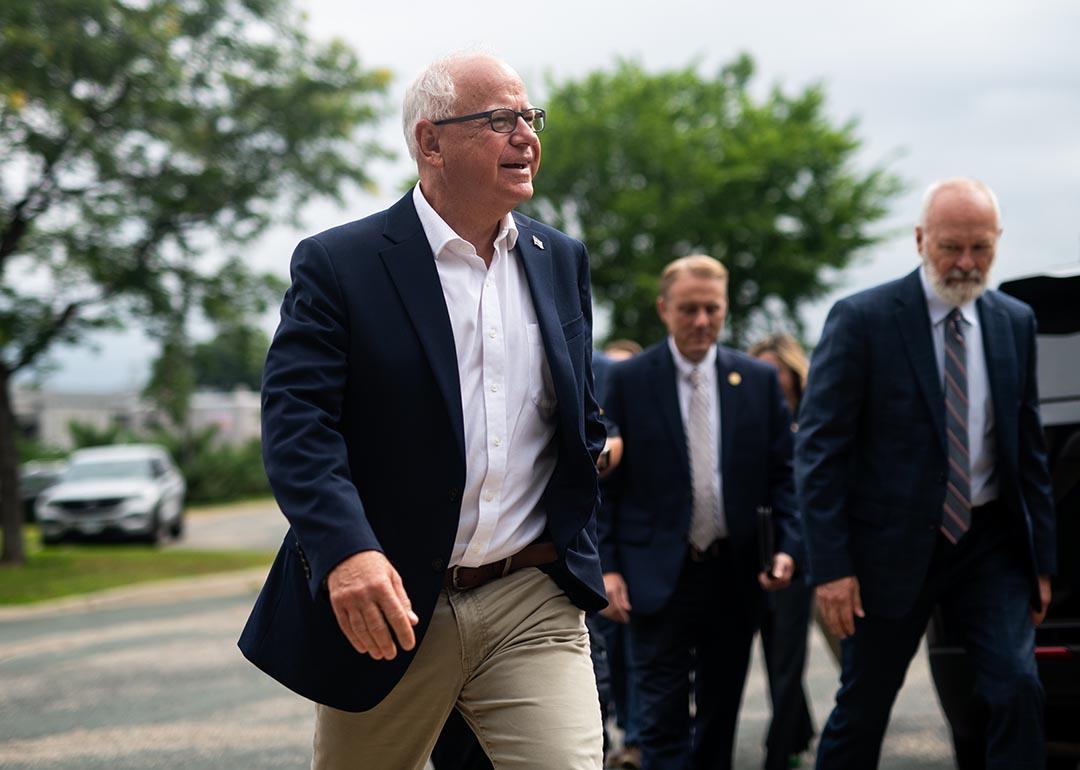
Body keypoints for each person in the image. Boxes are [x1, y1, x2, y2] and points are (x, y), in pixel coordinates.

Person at [238, 52, 609, 770]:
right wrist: (346, 551)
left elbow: (576, 406)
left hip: (530, 597)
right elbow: (298, 424)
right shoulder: (341, 264)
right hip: (395, 605)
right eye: (499, 120)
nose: (526, 136)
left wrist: (597, 449)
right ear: (429, 141)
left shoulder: (559, 258)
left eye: (530, 118)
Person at [795, 177, 1056, 770]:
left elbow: (1028, 449)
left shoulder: (1015, 322)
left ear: (997, 243)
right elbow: (819, 450)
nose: (966, 263)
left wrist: (1041, 563)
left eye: (980, 248)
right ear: (920, 240)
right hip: (887, 549)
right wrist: (832, 568)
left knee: (1018, 688)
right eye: (950, 247)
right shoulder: (862, 319)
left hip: (989, 545)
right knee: (864, 707)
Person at [599, 255, 802, 770]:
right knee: (662, 722)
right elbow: (605, 487)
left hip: (733, 574)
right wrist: (609, 566)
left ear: (725, 308)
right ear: (665, 309)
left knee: (720, 716)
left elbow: (785, 477)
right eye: (688, 309)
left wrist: (786, 547)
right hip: (655, 573)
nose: (701, 321)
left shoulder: (755, 380)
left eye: (712, 309)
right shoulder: (631, 380)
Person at [748, 333, 817, 770]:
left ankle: (780, 751)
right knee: (772, 651)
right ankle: (799, 730)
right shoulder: (748, 422)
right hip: (754, 547)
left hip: (800, 547)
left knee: (788, 652)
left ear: (794, 374)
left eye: (778, 372)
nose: (771, 381)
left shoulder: (810, 423)